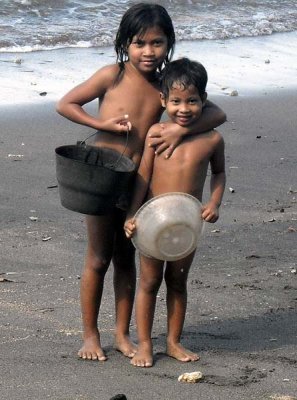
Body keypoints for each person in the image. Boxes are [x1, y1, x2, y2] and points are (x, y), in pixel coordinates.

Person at [56, 3, 226, 362]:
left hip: (140, 185)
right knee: (99, 257)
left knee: (126, 257)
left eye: (157, 43)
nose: (148, 51)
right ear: (124, 44)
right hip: (103, 180)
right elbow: (66, 104)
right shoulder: (112, 75)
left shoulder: (168, 84)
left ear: (169, 44)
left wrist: (181, 128)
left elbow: (217, 112)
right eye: (139, 43)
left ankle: (122, 334)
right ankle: (90, 334)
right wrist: (102, 125)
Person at [124, 57, 226, 368]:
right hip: (152, 220)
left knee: (178, 280)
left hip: (188, 222)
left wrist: (214, 203)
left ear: (203, 101)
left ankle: (172, 341)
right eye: (176, 101)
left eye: (192, 101)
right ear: (163, 100)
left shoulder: (211, 139)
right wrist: (132, 214)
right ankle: (144, 344)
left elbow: (219, 174)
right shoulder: (156, 132)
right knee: (149, 282)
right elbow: (142, 175)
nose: (184, 108)